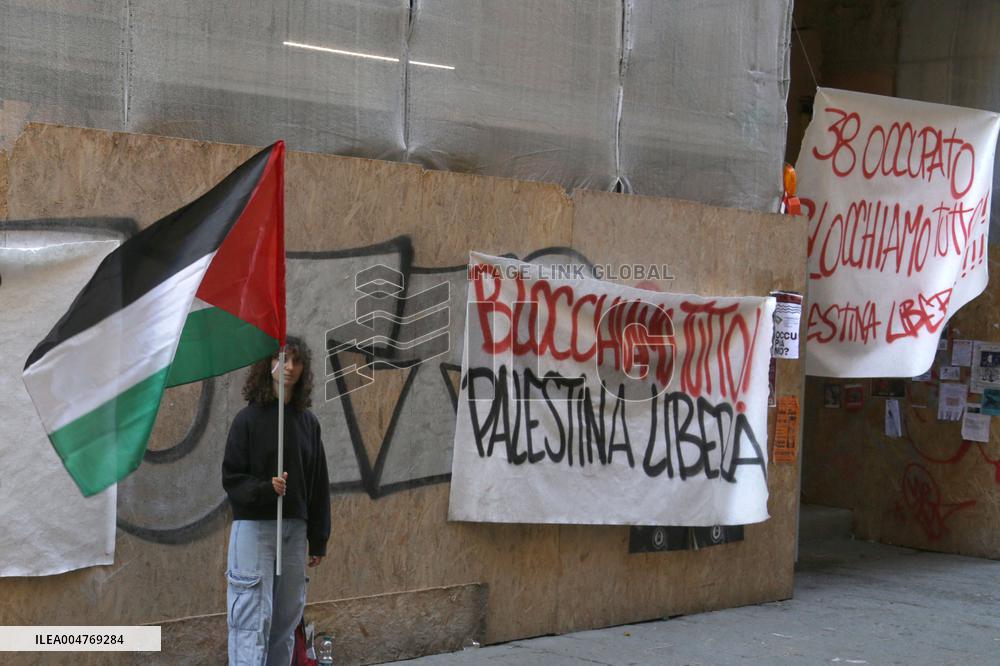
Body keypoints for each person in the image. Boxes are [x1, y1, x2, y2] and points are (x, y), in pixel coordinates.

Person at [223, 336, 331, 666]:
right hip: (255, 531)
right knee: (251, 621)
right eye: (282, 359)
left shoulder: (308, 424)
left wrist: (318, 538)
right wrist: (265, 489)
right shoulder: (247, 421)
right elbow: (232, 479)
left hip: (294, 531)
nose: (289, 367)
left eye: (296, 361)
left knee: (285, 624)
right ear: (267, 365)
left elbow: (318, 483)